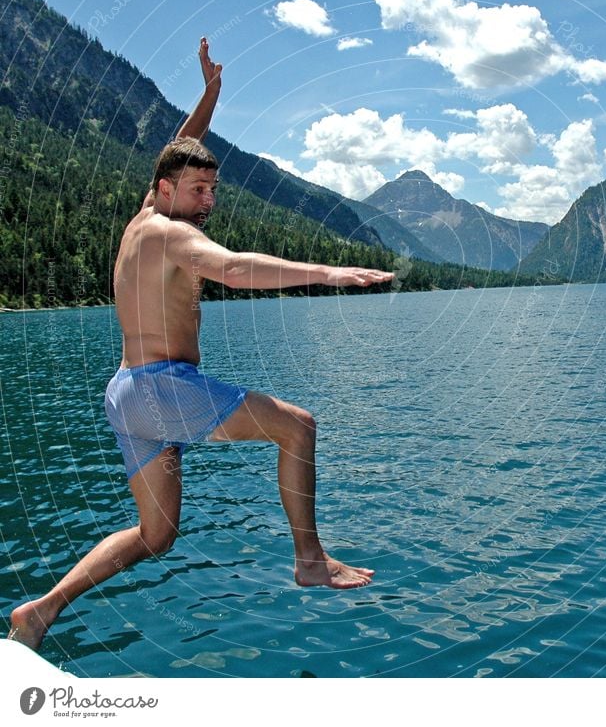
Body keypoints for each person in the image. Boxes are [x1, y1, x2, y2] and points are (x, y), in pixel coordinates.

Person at [8, 38, 394, 650]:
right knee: (297, 427)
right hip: (163, 388)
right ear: (166, 191)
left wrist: (210, 97)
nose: (207, 202)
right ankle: (311, 558)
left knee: (155, 536)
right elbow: (236, 269)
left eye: (213, 191)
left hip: (129, 393)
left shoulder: (145, 216)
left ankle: (41, 609)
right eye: (197, 192)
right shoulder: (170, 235)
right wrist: (327, 273)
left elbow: (176, 150)